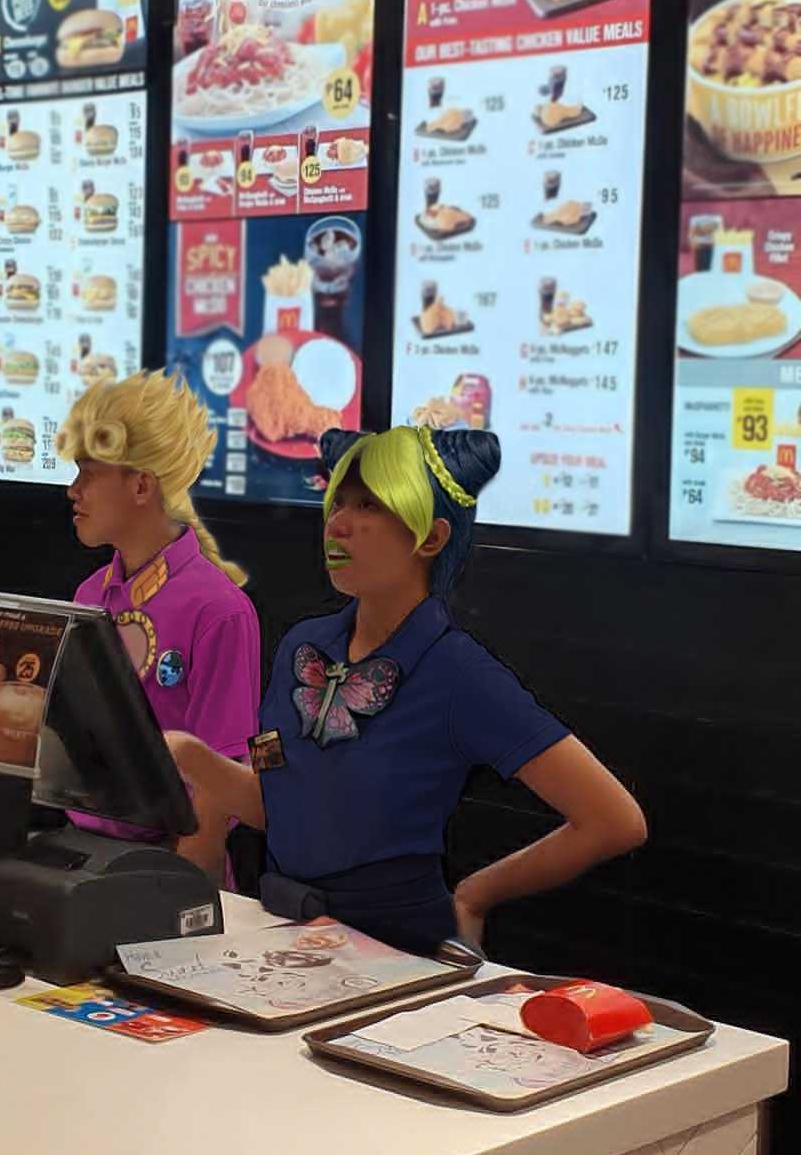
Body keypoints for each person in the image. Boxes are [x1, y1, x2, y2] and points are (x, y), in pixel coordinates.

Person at [167, 425, 646, 954]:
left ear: (431, 537)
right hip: (286, 939)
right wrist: (192, 757)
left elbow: (613, 820)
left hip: (398, 954)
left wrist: (474, 895)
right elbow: (277, 804)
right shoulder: (303, 647)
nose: (338, 525)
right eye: (337, 502)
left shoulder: (458, 672)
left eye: (369, 507)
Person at [57, 371, 260, 880]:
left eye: (87, 472)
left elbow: (221, 782)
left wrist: (182, 898)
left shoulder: (220, 609)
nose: (72, 489)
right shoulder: (89, 594)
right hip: (81, 856)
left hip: (169, 870)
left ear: (141, 484)